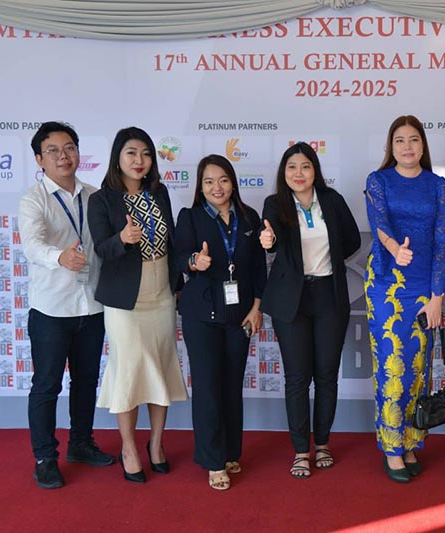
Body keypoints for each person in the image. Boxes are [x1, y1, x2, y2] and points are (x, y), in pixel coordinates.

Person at [88, 127, 188, 484]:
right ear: (118, 158)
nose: (139, 160)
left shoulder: (159, 193)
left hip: (161, 294)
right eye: (131, 153)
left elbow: (172, 243)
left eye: (145, 153)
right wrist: (123, 238)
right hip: (124, 302)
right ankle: (129, 448)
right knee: (129, 372)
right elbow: (101, 249)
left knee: (161, 367)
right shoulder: (101, 200)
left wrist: (178, 285)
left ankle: (156, 444)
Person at [20, 122, 116, 489]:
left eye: (70, 148)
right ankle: (45, 458)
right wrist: (59, 256)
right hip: (52, 309)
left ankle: (81, 443)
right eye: (54, 151)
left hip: (91, 306)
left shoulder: (95, 196)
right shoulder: (33, 199)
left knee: (86, 381)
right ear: (39, 159)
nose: (64, 156)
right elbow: (32, 244)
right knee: (46, 385)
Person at [259, 142, 360, 479]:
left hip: (329, 295)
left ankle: (324, 444)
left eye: (305, 166)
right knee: (297, 377)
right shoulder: (275, 204)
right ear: (283, 172)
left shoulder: (332, 201)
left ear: (315, 170)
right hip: (292, 300)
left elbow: (352, 240)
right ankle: (301, 450)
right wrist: (269, 242)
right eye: (292, 167)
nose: (298, 173)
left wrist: (329, 260)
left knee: (326, 374)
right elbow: (270, 237)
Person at [364, 115, 445, 483]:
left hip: (424, 289)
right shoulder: (378, 180)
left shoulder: (437, 185)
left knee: (419, 369)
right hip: (386, 284)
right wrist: (394, 248)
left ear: (423, 145)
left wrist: (437, 296)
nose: (407, 146)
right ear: (391, 146)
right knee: (392, 366)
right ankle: (392, 448)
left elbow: (443, 241)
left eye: (413, 139)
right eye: (399, 140)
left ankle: (411, 440)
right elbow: (379, 222)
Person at [175, 154, 267, 490]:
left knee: (231, 386)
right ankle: (213, 461)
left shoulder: (249, 217)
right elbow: (178, 257)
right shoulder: (190, 217)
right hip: (201, 317)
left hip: (239, 315)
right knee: (208, 388)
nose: (217, 187)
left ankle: (229, 453)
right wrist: (194, 261)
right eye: (209, 181)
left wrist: (257, 307)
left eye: (223, 180)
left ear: (233, 183)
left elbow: (258, 267)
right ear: (200, 187)